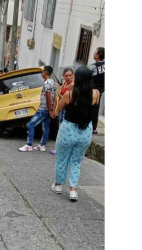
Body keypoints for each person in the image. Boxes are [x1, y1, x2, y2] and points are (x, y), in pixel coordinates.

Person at [51, 66, 101, 201]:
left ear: (76, 79)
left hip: (68, 130)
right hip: (85, 132)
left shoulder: (69, 94)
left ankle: (58, 185)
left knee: (62, 159)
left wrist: (59, 96)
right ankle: (73, 191)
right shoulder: (96, 93)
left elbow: (58, 110)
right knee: (76, 161)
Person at [18, 66, 57, 152]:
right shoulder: (53, 82)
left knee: (30, 125)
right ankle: (42, 145)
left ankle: (29, 145)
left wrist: (50, 109)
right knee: (45, 127)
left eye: (42, 72)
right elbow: (54, 97)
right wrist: (52, 109)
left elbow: (48, 96)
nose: (41, 73)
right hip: (47, 108)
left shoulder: (47, 83)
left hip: (43, 109)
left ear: (45, 72)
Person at [50, 68, 75, 155]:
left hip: (68, 110)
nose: (68, 77)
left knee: (64, 131)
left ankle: (62, 149)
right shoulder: (65, 83)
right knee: (61, 129)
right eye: (66, 76)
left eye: (70, 75)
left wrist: (58, 93)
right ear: (63, 76)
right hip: (62, 109)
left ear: (73, 75)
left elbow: (66, 98)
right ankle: (61, 148)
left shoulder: (72, 85)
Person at [90, 47, 105, 135]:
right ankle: (94, 128)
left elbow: (87, 75)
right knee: (96, 108)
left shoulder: (94, 66)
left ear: (98, 55)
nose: (93, 53)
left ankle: (89, 127)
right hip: (100, 91)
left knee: (90, 108)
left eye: (95, 52)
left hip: (93, 90)